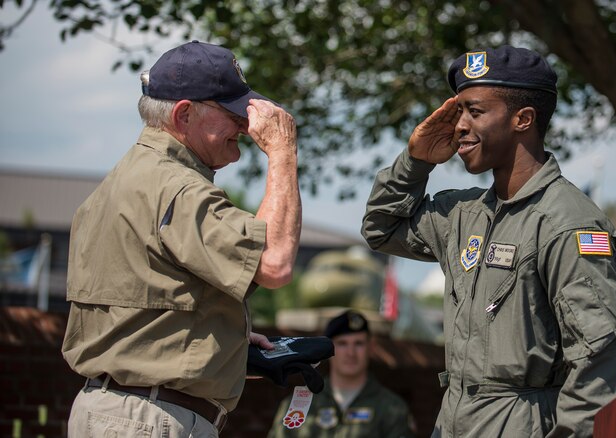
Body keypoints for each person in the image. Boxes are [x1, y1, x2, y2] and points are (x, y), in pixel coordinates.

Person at [361, 46, 616, 437]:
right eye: (458, 113)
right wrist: (415, 161)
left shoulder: (568, 223)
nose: (458, 126)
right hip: (453, 419)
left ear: (523, 119)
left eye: (475, 112)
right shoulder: (462, 213)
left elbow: (600, 360)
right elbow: (380, 228)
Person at [61, 40, 301, 437]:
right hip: (149, 419)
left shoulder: (123, 181)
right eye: (233, 113)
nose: (245, 126)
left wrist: (227, 337)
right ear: (184, 114)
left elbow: (142, 305)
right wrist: (283, 152)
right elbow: (275, 262)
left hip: (115, 411)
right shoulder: (178, 189)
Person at [267, 310, 416, 438]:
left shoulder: (392, 408)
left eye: (359, 343)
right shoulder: (297, 404)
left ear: (371, 347)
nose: (350, 353)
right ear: (326, 349)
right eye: (342, 343)